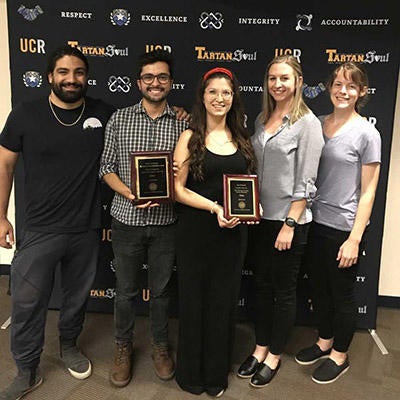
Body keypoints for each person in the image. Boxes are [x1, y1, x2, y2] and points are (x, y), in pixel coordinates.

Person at [0, 45, 116, 400]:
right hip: (38, 229)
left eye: (78, 72)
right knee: (26, 303)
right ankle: (27, 368)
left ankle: (69, 346)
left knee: (76, 297)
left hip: (85, 227)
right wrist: (0, 216)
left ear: (86, 76)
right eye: (63, 72)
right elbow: (4, 166)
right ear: (50, 76)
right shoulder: (25, 114)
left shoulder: (104, 113)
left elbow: (138, 122)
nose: (71, 79)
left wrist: (173, 111)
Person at [99, 49, 189, 388]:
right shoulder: (120, 119)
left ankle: (160, 347)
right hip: (126, 219)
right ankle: (123, 348)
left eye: (162, 77)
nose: (155, 83)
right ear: (139, 82)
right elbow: (106, 168)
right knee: (124, 292)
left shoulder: (183, 121)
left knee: (162, 292)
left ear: (170, 82)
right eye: (149, 77)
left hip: (167, 222)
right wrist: (130, 194)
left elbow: (191, 170)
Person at [236, 55, 324, 387]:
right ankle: (259, 347)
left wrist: (290, 223)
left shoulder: (308, 123)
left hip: (290, 221)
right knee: (260, 286)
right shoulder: (262, 118)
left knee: (283, 291)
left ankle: (274, 355)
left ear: (298, 81)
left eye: (284, 78)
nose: (278, 84)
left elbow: (307, 182)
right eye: (272, 78)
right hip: (260, 218)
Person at [294, 62, 381, 384]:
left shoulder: (367, 133)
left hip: (344, 227)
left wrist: (355, 238)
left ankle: (340, 356)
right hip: (314, 221)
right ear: (329, 88)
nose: (343, 91)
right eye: (338, 85)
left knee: (341, 294)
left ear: (361, 92)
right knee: (319, 288)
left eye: (351, 86)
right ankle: (324, 341)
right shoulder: (317, 124)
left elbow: (369, 190)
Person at [173, 67, 257, 397]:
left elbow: (249, 188)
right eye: (213, 92)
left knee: (223, 303)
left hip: (232, 236)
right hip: (196, 234)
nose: (219, 98)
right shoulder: (189, 137)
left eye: (226, 92)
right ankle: (191, 375)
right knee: (194, 301)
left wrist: (253, 209)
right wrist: (215, 208)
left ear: (233, 97)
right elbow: (177, 189)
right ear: (203, 97)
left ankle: (215, 375)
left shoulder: (242, 139)